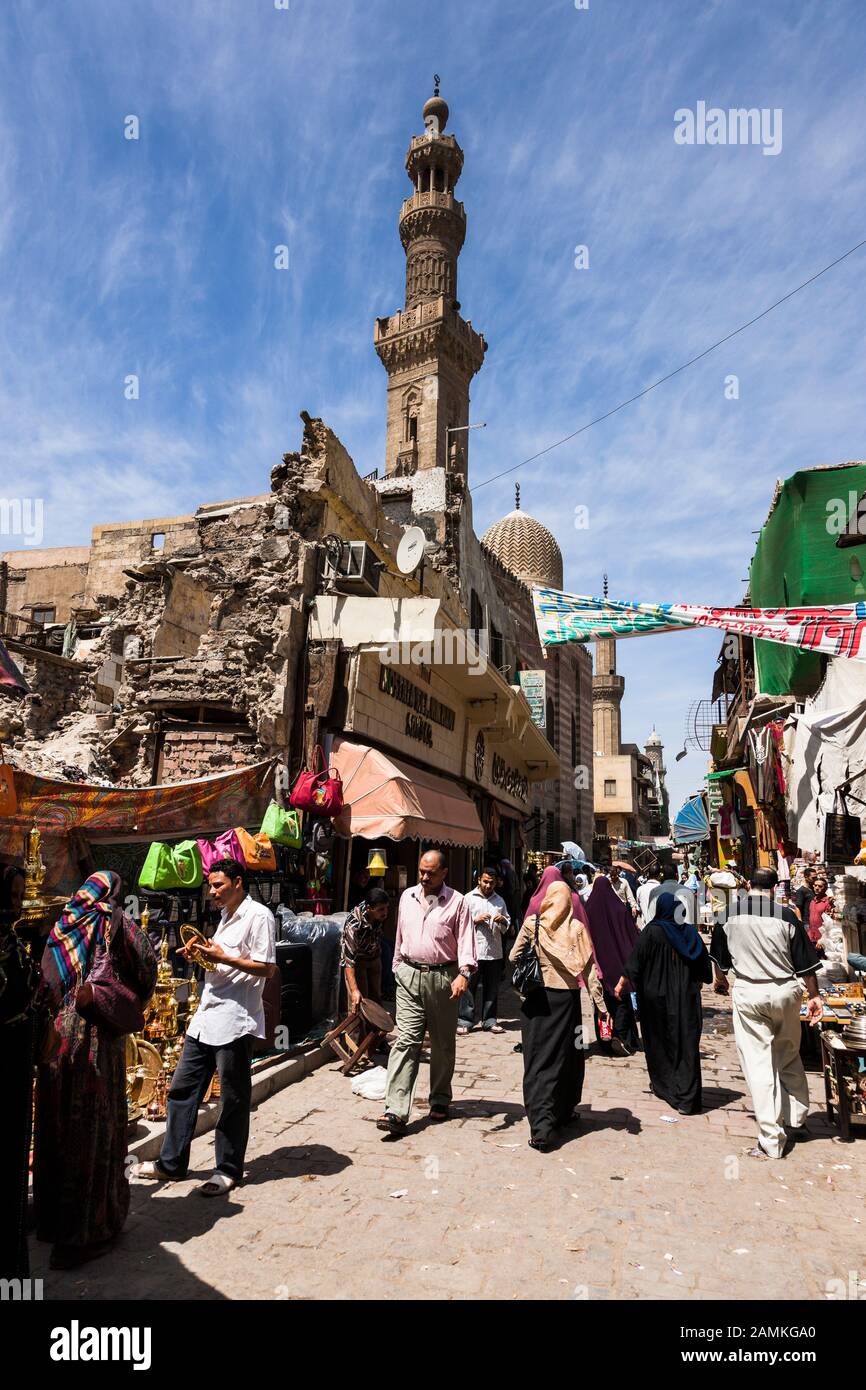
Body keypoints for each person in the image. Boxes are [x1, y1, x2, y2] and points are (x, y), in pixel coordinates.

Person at [34, 871, 157, 1269]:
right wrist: (125, 997)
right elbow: (149, 967)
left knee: (57, 1127)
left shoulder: (62, 923)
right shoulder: (116, 921)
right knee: (92, 1132)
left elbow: (46, 979)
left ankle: (51, 1220)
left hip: (56, 1040)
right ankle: (84, 1233)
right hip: (95, 1040)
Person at [141, 858, 276, 1195]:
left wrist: (220, 958)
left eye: (219, 885)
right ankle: (171, 1164)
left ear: (238, 882)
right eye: (211, 886)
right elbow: (217, 960)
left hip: (235, 1018)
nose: (213, 892)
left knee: (232, 1098)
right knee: (182, 1090)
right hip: (206, 1017)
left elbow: (266, 968)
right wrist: (199, 954)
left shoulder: (258, 916)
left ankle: (228, 1170)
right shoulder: (225, 917)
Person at [710, 867, 823, 1160]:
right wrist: (815, 996)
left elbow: (719, 960)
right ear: (775, 888)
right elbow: (806, 965)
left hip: (750, 991)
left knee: (759, 1063)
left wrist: (720, 980)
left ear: (749, 885)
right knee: (788, 1052)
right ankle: (797, 1119)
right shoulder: (786, 916)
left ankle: (771, 1139)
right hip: (786, 990)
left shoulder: (728, 915)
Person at [377, 850, 475, 1136]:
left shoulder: (458, 903)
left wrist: (463, 974)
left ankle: (440, 1098)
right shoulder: (407, 897)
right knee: (406, 1039)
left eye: (430, 873)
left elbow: (467, 942)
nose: (424, 877)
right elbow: (399, 935)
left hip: (444, 979)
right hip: (408, 975)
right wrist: (397, 967)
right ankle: (395, 1109)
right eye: (421, 871)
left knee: (443, 1044)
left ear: (444, 873)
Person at [509, 874, 606, 1151]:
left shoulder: (533, 923)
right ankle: (562, 1112)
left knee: (537, 1060)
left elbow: (514, 956)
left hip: (536, 1000)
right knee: (566, 1058)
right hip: (566, 1002)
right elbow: (590, 973)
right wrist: (601, 1008)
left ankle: (540, 1125)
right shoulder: (576, 929)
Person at [613, 892, 712, 1114]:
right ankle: (688, 1098)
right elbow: (704, 970)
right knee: (686, 1046)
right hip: (686, 998)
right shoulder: (689, 933)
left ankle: (665, 1086)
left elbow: (635, 962)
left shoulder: (653, 931)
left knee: (658, 1043)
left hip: (655, 999)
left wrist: (621, 985)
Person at [585, 874, 641, 1055]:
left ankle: (605, 1040)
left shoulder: (589, 909)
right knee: (621, 1001)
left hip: (599, 966)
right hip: (619, 965)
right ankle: (624, 1037)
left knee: (601, 1003)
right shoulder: (619, 908)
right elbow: (631, 935)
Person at [459, 865, 510, 1034]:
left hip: (494, 951)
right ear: (479, 880)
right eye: (485, 882)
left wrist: (503, 920)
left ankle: (489, 1020)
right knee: (469, 988)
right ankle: (465, 1021)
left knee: (492, 988)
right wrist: (476, 920)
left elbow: (507, 926)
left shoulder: (499, 901)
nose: (488, 886)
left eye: (492, 883)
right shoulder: (468, 899)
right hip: (473, 951)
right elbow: (460, 924)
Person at [341, 886, 390, 1011]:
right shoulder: (354, 925)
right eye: (381, 909)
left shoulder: (378, 914)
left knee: (376, 998)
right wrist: (354, 990)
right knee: (359, 1001)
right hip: (358, 962)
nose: (385, 912)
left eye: (386, 908)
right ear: (369, 909)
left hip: (374, 956)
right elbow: (349, 962)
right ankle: (356, 1030)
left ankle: (375, 1029)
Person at [807, 876, 832, 950]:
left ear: (825, 888)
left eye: (820, 886)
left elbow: (829, 924)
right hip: (811, 937)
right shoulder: (812, 901)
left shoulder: (828, 902)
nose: (817, 888)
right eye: (815, 885)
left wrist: (822, 940)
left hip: (822, 940)